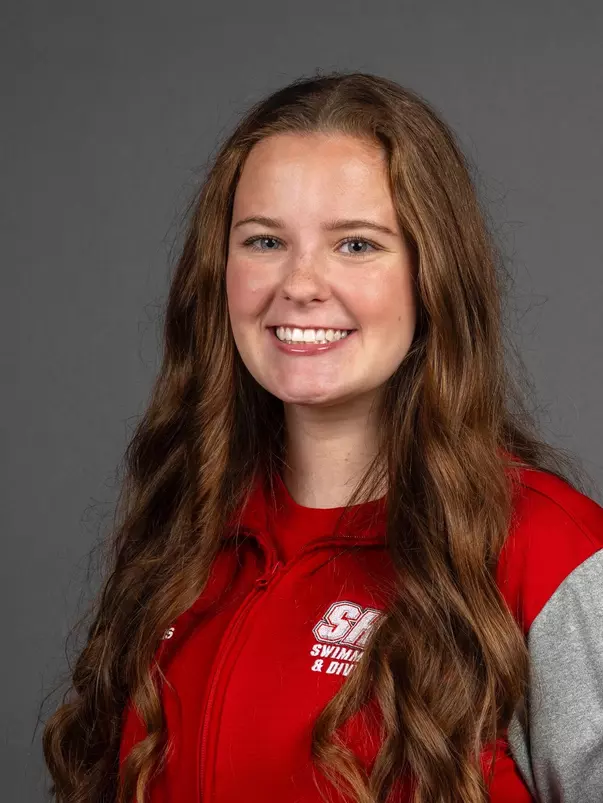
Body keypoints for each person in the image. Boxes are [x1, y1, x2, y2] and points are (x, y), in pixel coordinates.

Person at [42, 71, 603, 803]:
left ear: (432, 273)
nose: (300, 284)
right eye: (265, 240)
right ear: (220, 270)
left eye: (356, 245)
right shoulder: (181, 538)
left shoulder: (547, 550)